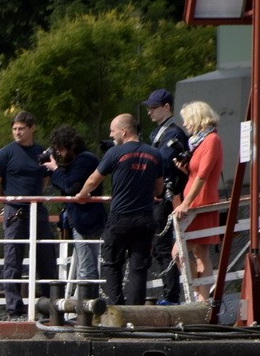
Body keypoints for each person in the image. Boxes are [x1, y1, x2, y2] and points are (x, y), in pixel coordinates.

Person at [76, 114, 164, 306]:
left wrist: (81, 195)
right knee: (138, 269)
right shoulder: (155, 154)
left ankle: (117, 309)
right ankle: (136, 314)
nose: (111, 134)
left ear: (124, 131)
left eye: (113, 130)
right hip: (145, 219)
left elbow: (93, 180)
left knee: (112, 264)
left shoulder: (114, 153)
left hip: (121, 218)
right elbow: (159, 189)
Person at [0, 111, 58, 319]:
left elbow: (44, 180)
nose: (17, 132)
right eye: (14, 128)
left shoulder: (41, 152)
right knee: (13, 260)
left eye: (21, 128)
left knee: (47, 257)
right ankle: (14, 309)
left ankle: (51, 307)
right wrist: (5, 202)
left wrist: (34, 198)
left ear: (32, 128)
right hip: (14, 210)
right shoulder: (5, 153)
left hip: (38, 209)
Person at [142, 88, 190, 305]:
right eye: (149, 108)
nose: (150, 112)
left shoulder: (173, 133)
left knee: (163, 245)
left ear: (166, 107)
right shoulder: (158, 133)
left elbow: (161, 161)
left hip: (167, 194)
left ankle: (171, 295)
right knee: (159, 246)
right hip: (157, 195)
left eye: (154, 108)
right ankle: (169, 292)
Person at [172, 101, 223, 303]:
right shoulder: (199, 141)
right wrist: (186, 171)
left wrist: (185, 204)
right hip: (194, 200)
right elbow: (197, 173)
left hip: (201, 202)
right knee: (189, 252)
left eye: (187, 120)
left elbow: (203, 175)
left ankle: (201, 296)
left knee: (193, 252)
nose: (185, 125)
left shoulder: (211, 140)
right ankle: (200, 292)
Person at [42, 125, 106, 285]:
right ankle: (86, 304)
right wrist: (53, 170)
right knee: (85, 266)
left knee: (87, 268)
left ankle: (89, 306)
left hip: (86, 220)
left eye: (61, 149)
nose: (60, 154)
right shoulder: (81, 160)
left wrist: (55, 169)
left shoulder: (84, 160)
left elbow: (71, 187)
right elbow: (66, 184)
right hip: (81, 220)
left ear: (70, 146)